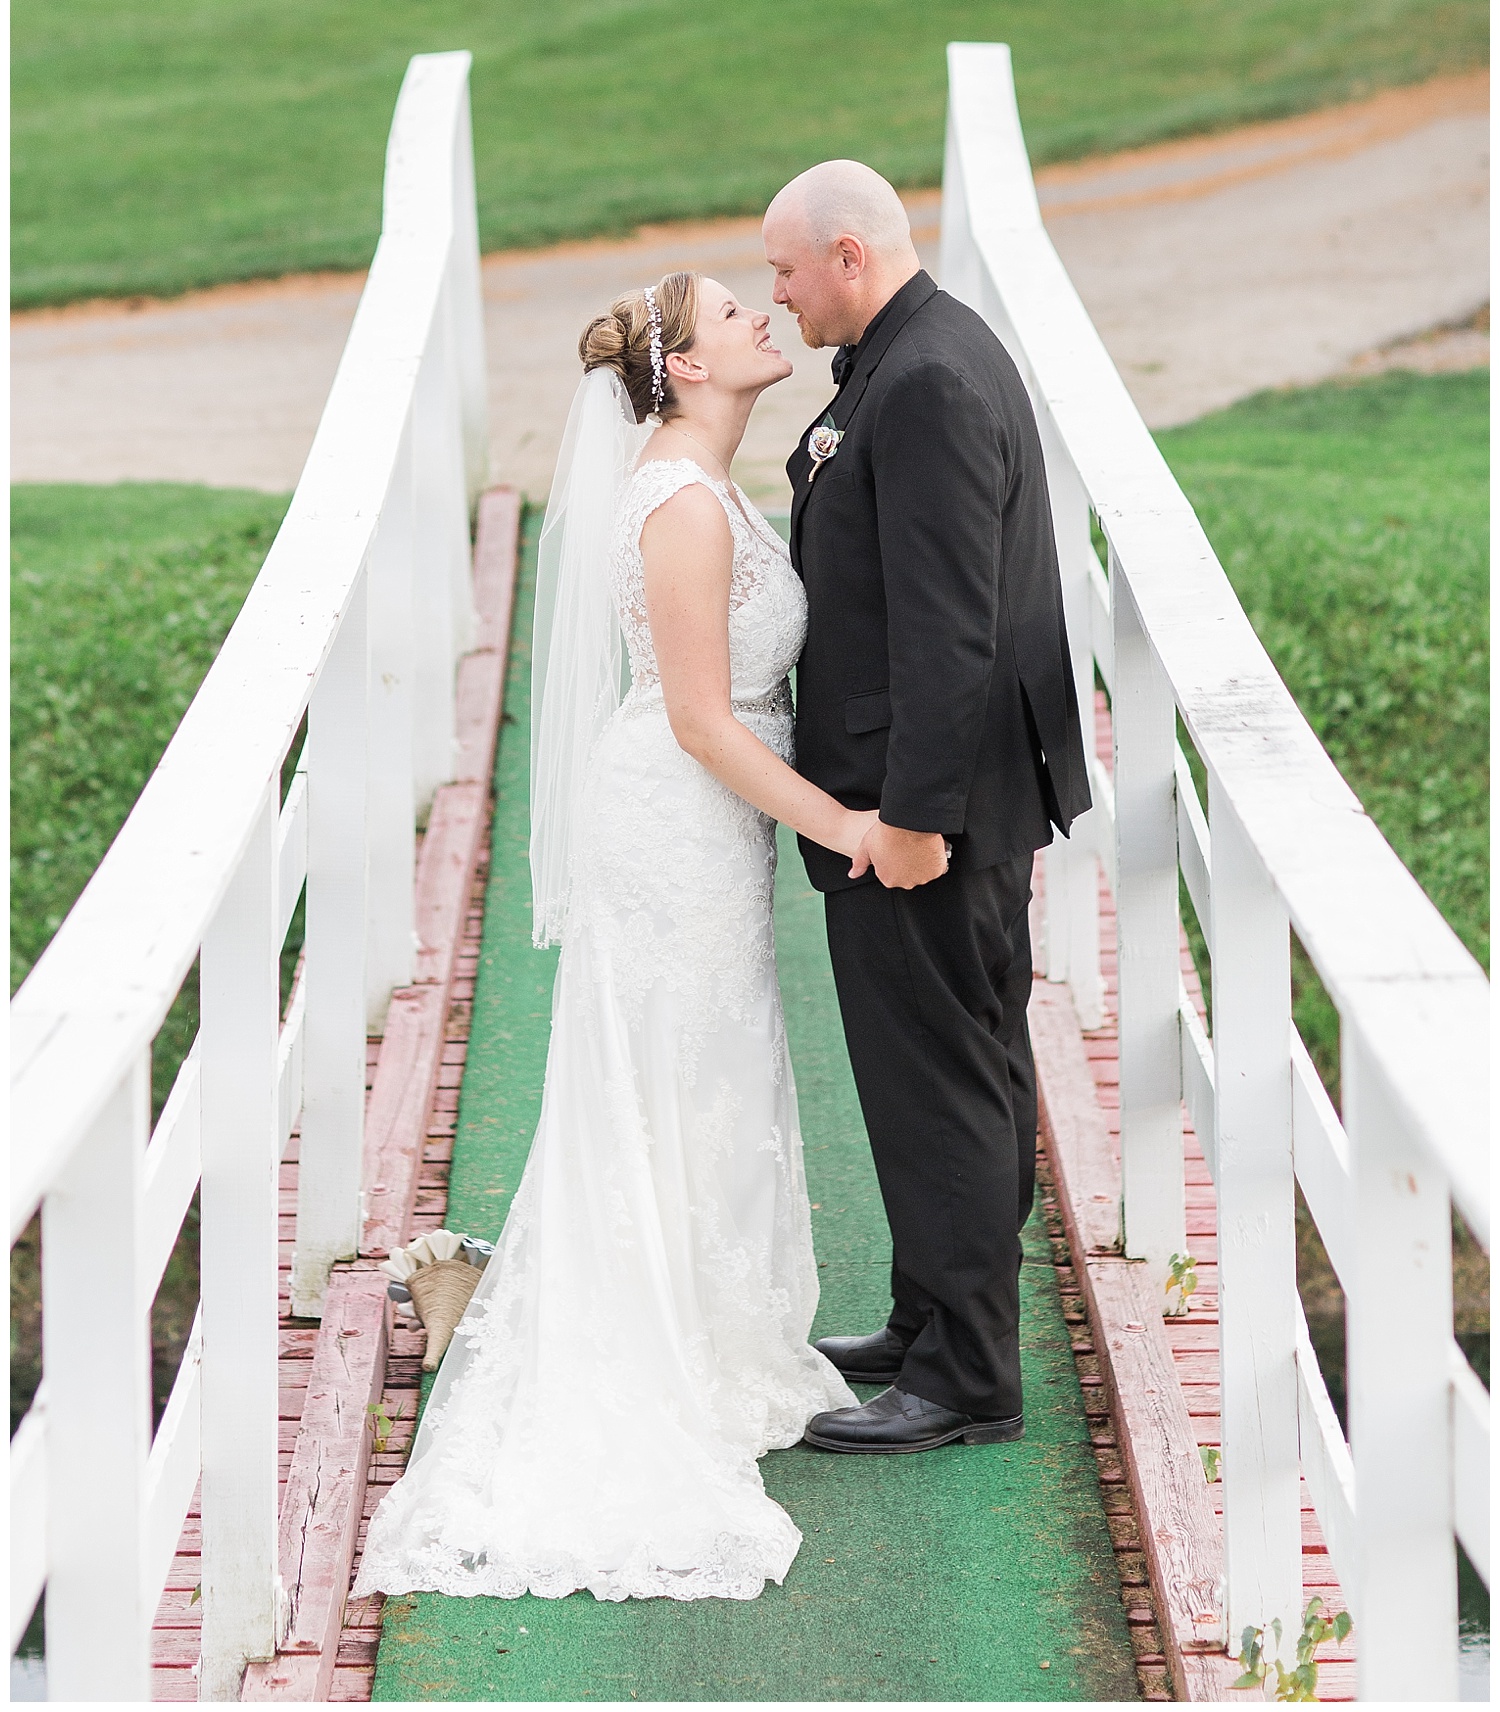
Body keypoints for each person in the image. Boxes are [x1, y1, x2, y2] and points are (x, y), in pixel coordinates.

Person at [354, 270, 871, 1606]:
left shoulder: (702, 481)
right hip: (676, 820)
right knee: (669, 1070)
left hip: (704, 825)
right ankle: (628, 1345)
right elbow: (704, 722)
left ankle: (682, 1328)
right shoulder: (680, 505)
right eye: (732, 313)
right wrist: (851, 827)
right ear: (687, 367)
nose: (764, 314)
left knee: (702, 1072)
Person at [762, 159, 1092, 1455]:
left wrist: (909, 818)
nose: (775, 293)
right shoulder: (915, 358)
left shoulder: (933, 381)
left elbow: (951, 631)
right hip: (941, 800)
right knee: (964, 1064)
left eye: (786, 270)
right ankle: (931, 1318)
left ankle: (965, 1379)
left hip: (922, 815)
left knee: (941, 1080)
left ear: (849, 254)